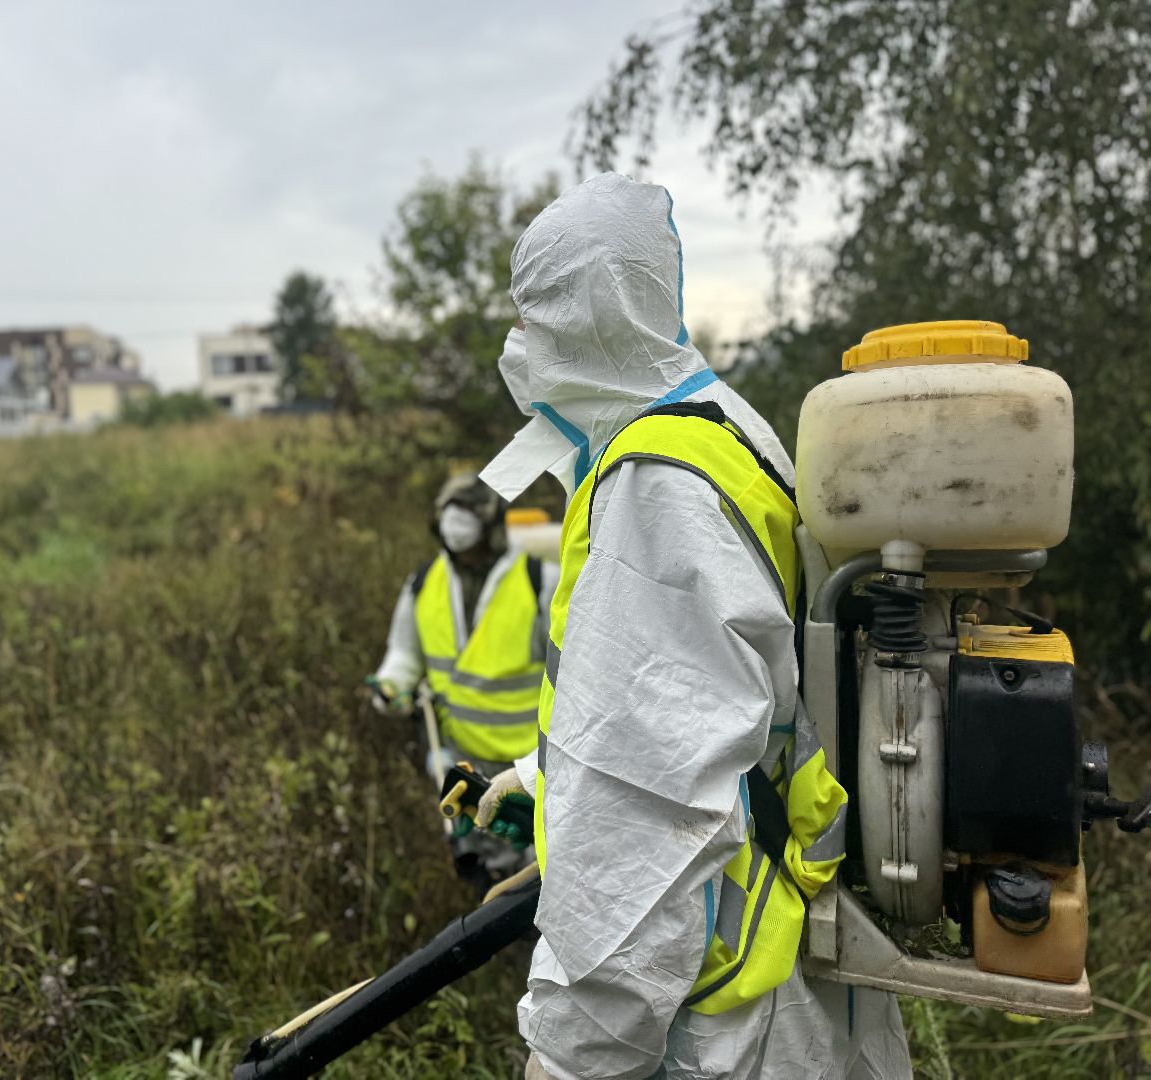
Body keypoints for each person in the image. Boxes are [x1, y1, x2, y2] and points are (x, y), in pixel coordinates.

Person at [474, 173, 912, 1079]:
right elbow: (725, 702)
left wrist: (571, 1061)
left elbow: (638, 841)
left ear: (584, 314)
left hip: (724, 1014)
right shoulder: (722, 431)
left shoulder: (655, 489)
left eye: (533, 311)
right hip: (790, 969)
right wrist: (542, 774)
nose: (517, 342)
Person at [367, 471, 557, 878]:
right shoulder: (423, 583)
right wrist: (391, 686)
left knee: (539, 867)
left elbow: (576, 672)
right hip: (460, 758)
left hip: (531, 761)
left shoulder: (539, 582)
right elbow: (405, 652)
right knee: (486, 858)